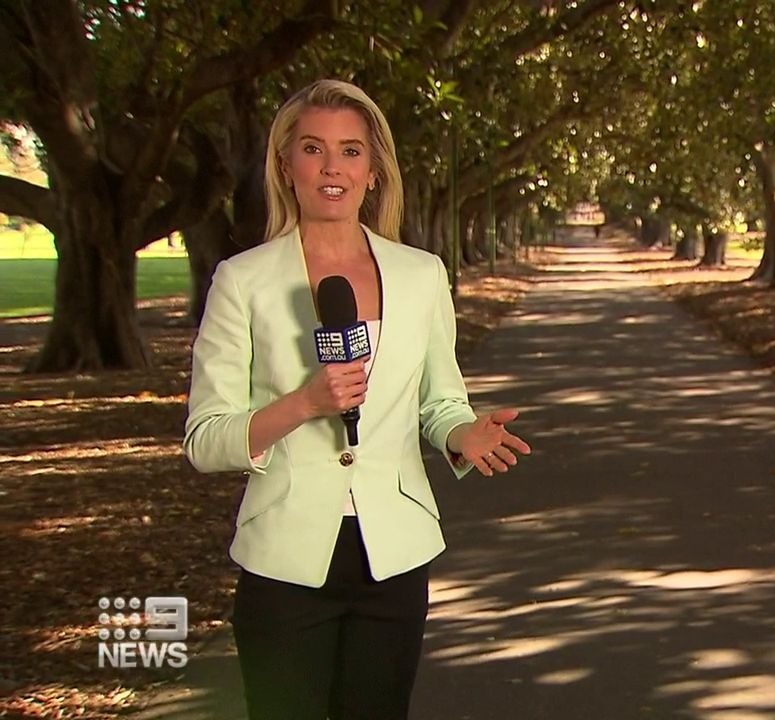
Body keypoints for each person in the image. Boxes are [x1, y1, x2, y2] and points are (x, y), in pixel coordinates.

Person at [183, 79, 532, 719]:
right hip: (285, 562)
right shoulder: (242, 281)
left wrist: (462, 434)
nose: (331, 167)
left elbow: (440, 401)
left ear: (372, 172)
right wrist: (304, 403)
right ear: (286, 166)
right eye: (313, 149)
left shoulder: (421, 274)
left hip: (394, 558)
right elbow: (206, 440)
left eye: (350, 151)